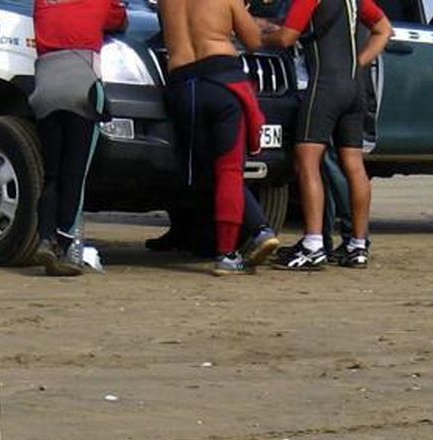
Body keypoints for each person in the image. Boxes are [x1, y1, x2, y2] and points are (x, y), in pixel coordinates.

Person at [260, 0, 392, 269]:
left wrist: (255, 38)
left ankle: (313, 243)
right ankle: (358, 245)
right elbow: (384, 29)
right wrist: (359, 64)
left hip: (325, 85)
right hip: (354, 86)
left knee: (307, 160)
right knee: (354, 165)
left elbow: (287, 38)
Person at [158, 0, 281, 275]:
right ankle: (227, 253)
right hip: (222, 81)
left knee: (208, 170)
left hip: (182, 85)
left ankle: (260, 229)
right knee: (228, 170)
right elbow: (253, 41)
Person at [30, 0, 130, 276]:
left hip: (45, 85)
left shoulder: (42, 3)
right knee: (75, 173)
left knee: (52, 174)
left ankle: (46, 238)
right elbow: (120, 21)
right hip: (82, 86)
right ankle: (64, 245)